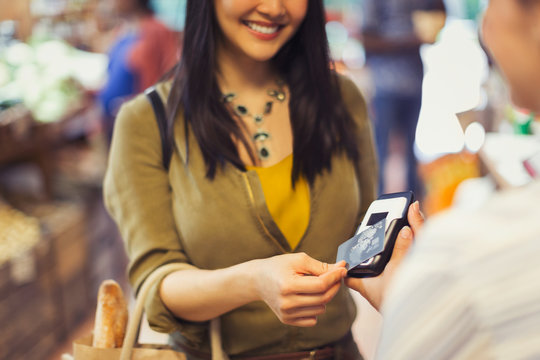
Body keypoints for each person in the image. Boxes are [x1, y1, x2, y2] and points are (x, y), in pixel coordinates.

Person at [103, 0, 419, 358]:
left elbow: (362, 239)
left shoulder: (341, 100)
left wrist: (393, 277)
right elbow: (156, 283)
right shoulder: (146, 122)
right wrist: (252, 282)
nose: (273, 7)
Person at [347, 0, 540, 357]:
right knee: (382, 157)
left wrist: (418, 301)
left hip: (411, 81)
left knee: (404, 175)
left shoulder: (457, 257)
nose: (484, 24)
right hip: (389, 83)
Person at [361, 0, 446, 195]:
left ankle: (412, 208)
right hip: (384, 84)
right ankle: (378, 209)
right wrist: (411, 40)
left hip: (414, 82)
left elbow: (438, 17)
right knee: (380, 151)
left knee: (411, 149)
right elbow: (367, 39)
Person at [97, 0, 179, 142]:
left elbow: (169, 79)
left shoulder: (158, 30)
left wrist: (134, 107)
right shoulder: (122, 30)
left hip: (143, 128)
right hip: (116, 126)